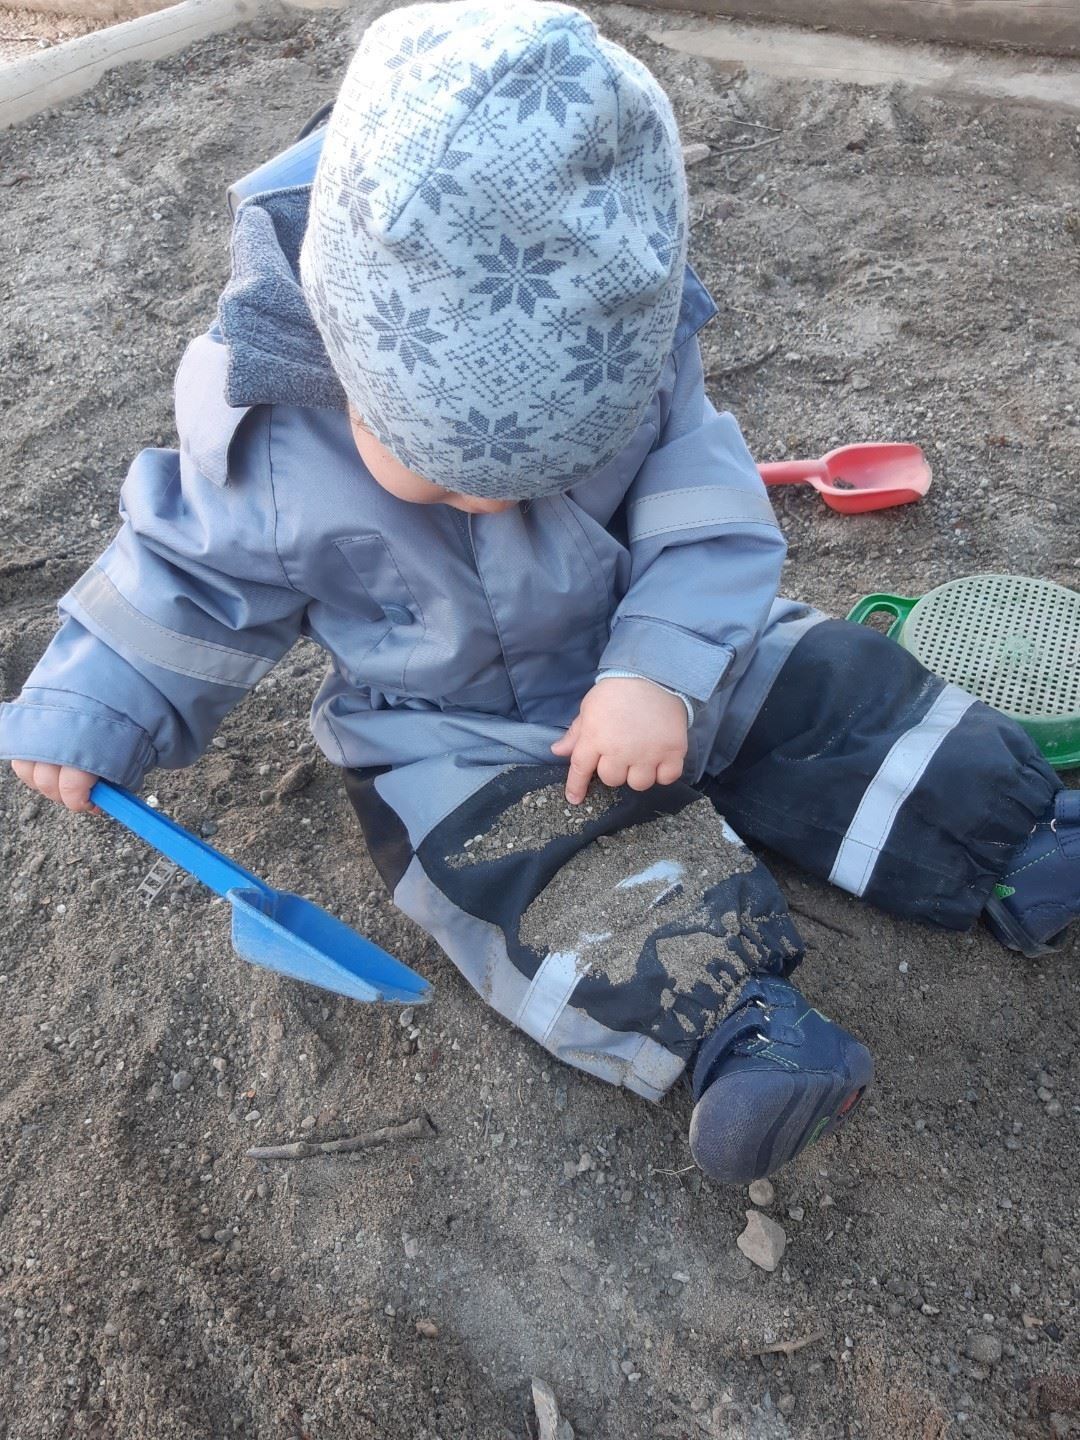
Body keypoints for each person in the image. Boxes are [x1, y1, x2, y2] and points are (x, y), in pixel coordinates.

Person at [2, 1, 1075, 1186]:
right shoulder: (271, 438)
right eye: (442, 475)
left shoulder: (629, 349)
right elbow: (183, 578)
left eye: (555, 470)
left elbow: (709, 515)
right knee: (523, 870)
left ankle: (1014, 836)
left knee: (828, 685)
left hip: (657, 636)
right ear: (341, 358)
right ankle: (741, 1032)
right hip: (454, 727)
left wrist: (659, 666)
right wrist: (90, 705)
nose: (489, 504)